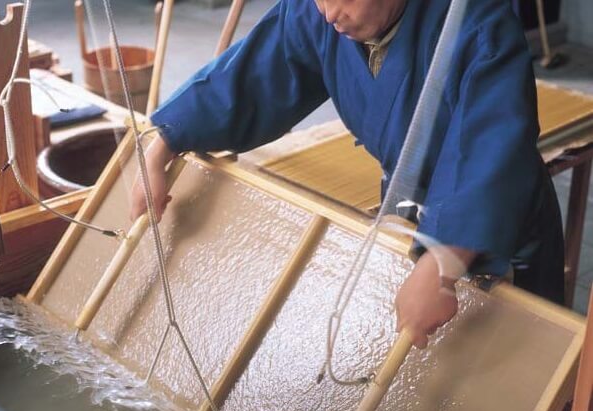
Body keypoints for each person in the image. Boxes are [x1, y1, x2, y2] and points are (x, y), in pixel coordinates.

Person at [129, 0, 564, 349]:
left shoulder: (477, 22)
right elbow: (247, 79)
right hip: (409, 211)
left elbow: (488, 151)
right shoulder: (320, 11)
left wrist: (442, 264)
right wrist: (161, 148)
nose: (329, 12)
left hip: (494, 225)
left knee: (510, 382)